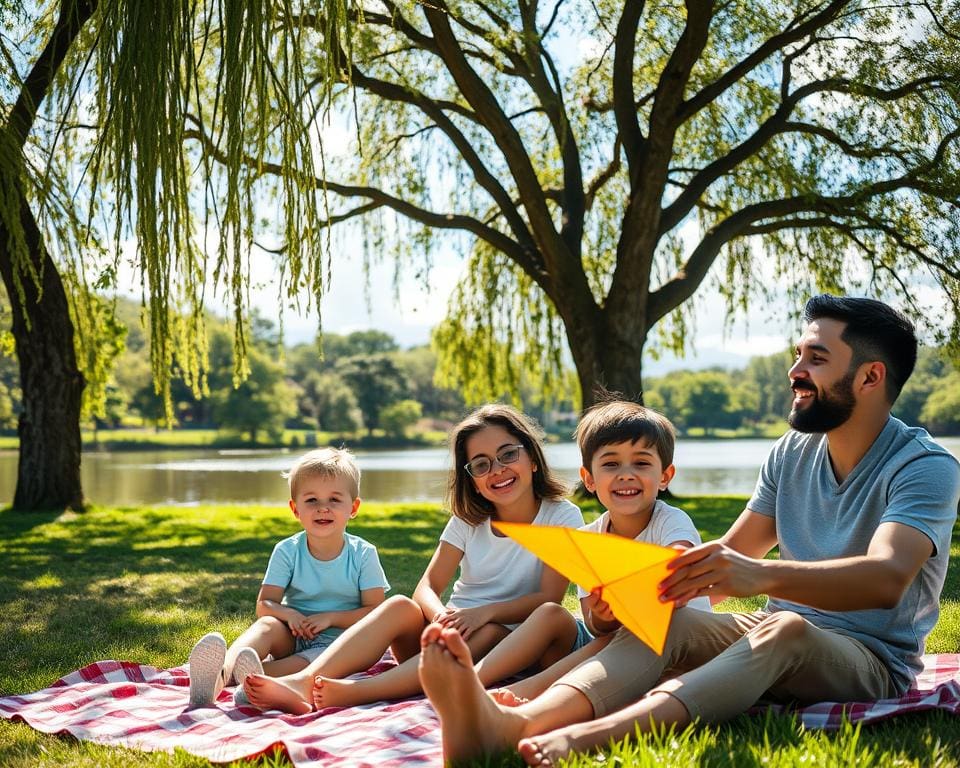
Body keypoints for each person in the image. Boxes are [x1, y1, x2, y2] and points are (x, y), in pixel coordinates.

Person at [417, 294, 960, 766]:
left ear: (870, 377)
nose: (795, 370)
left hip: (870, 661)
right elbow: (732, 554)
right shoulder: (792, 452)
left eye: (816, 359)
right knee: (662, 624)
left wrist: (760, 577)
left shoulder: (925, 466)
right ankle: (511, 723)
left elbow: (886, 577)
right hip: (780, 629)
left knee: (785, 629)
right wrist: (631, 595)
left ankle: (591, 736)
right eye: (798, 354)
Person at [240, 403, 584, 713]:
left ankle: (358, 691)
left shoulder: (561, 516)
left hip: (506, 639)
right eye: (481, 464)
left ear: (533, 458)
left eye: (508, 454)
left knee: (491, 631)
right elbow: (428, 585)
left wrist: (483, 614)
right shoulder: (467, 520)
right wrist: (439, 617)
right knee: (400, 605)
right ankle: (305, 680)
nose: (497, 470)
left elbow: (548, 598)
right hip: (445, 635)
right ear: (473, 480)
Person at [476, 399, 710, 704]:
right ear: (589, 479)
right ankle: (484, 683)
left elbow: (678, 565)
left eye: (641, 463)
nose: (626, 474)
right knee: (577, 626)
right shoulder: (588, 541)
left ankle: (527, 693)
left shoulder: (671, 521)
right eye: (611, 464)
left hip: (687, 647)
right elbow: (595, 625)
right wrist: (602, 615)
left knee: (620, 639)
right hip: (623, 649)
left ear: (664, 476)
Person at [186, 447, 389, 708]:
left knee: (304, 662)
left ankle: (253, 680)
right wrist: (290, 615)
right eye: (312, 500)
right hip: (294, 636)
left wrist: (330, 618)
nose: (323, 509)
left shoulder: (363, 554)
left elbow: (375, 612)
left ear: (354, 507)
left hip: (340, 645)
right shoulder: (287, 551)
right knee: (266, 626)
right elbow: (264, 605)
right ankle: (217, 676)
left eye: (334, 500)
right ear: (295, 509)